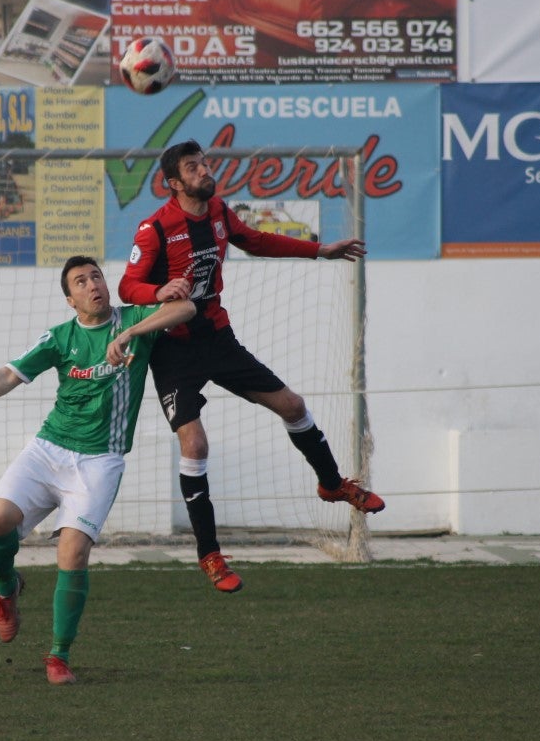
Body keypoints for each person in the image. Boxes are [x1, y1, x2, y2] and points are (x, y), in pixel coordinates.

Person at [118, 139, 383, 594]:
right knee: (196, 446)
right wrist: (157, 292)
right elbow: (127, 286)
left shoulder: (219, 211)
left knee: (293, 405)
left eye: (204, 163)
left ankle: (332, 484)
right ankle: (210, 555)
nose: (204, 170)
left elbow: (256, 241)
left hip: (217, 337)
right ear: (174, 183)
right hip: (172, 348)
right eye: (193, 167)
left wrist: (320, 250)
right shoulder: (155, 228)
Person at [0, 256, 195, 685]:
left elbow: (185, 309)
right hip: (49, 448)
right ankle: (6, 588)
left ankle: (58, 655)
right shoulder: (59, 338)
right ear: (70, 299)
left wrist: (130, 332)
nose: (93, 284)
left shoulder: (133, 319)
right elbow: (8, 375)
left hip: (99, 460)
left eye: (96, 276)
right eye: (80, 281)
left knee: (72, 551)